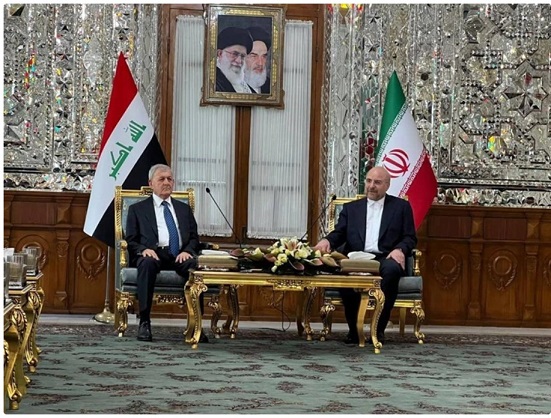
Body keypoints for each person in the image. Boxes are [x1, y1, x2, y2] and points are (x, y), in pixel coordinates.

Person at [313, 166, 417, 345]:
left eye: (377, 182)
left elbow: (410, 237)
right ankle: (354, 331)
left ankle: (378, 329)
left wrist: (399, 249)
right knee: (343, 271)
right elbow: (339, 233)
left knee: (392, 270)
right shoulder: (351, 208)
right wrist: (326, 241)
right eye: (368, 181)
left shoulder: (401, 207)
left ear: (387, 185)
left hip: (385, 257)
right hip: (356, 257)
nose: (371, 186)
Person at [125, 164, 207, 342]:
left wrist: (187, 250)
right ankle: (144, 322)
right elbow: (130, 240)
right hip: (153, 254)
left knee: (195, 267)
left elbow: (194, 238)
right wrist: (143, 250)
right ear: (151, 183)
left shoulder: (183, 209)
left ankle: (197, 325)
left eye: (169, 179)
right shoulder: (137, 209)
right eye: (161, 179)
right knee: (146, 264)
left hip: (179, 255)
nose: (166, 182)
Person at [216, 27, 253, 93]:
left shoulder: (247, 88)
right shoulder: (212, 82)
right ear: (220, 54)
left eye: (243, 56)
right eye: (234, 54)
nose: (239, 61)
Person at [244, 26, 271, 94]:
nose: (260, 63)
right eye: (254, 56)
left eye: (264, 56)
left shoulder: (271, 86)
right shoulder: (228, 86)